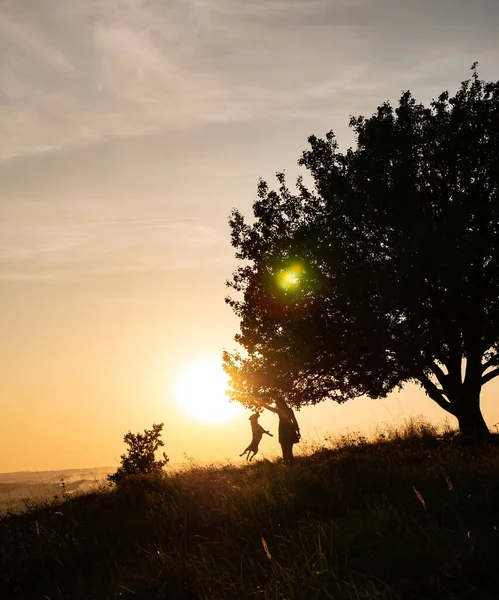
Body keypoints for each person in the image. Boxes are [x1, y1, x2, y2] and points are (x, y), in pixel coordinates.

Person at [261, 398, 300, 466]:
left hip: (285, 430)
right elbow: (294, 420)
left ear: (281, 403)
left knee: (286, 450)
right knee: (287, 450)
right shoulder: (287, 410)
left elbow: (294, 420)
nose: (276, 404)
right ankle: (289, 465)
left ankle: (288, 465)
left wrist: (261, 402)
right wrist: (298, 431)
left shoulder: (280, 410)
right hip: (288, 429)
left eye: (277, 402)